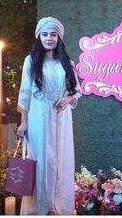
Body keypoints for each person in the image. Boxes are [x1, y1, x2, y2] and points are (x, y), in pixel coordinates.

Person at [17, 17, 82, 215]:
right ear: (39, 37)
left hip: (61, 118)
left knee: (60, 161)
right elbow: (25, 93)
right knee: (40, 162)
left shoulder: (66, 62)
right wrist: (23, 123)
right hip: (38, 118)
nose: (49, 38)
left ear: (58, 38)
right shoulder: (30, 61)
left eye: (53, 35)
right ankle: (39, 209)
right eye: (44, 34)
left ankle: (59, 208)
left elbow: (76, 89)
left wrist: (68, 99)